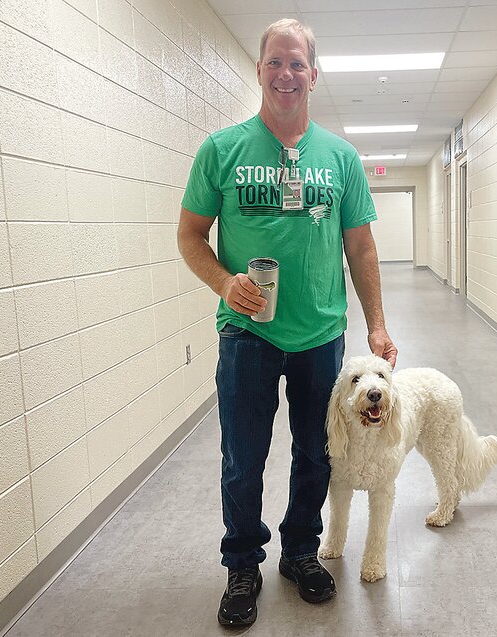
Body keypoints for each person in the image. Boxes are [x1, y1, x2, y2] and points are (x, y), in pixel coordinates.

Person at [176, 18, 398, 628]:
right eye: (275, 61)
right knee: (242, 457)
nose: (286, 73)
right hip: (246, 333)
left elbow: (362, 246)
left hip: (322, 334)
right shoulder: (222, 150)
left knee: (317, 452)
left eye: (297, 63)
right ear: (260, 70)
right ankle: (242, 562)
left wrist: (376, 325)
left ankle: (301, 552)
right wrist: (226, 283)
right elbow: (190, 236)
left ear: (314, 75)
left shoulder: (340, 157)